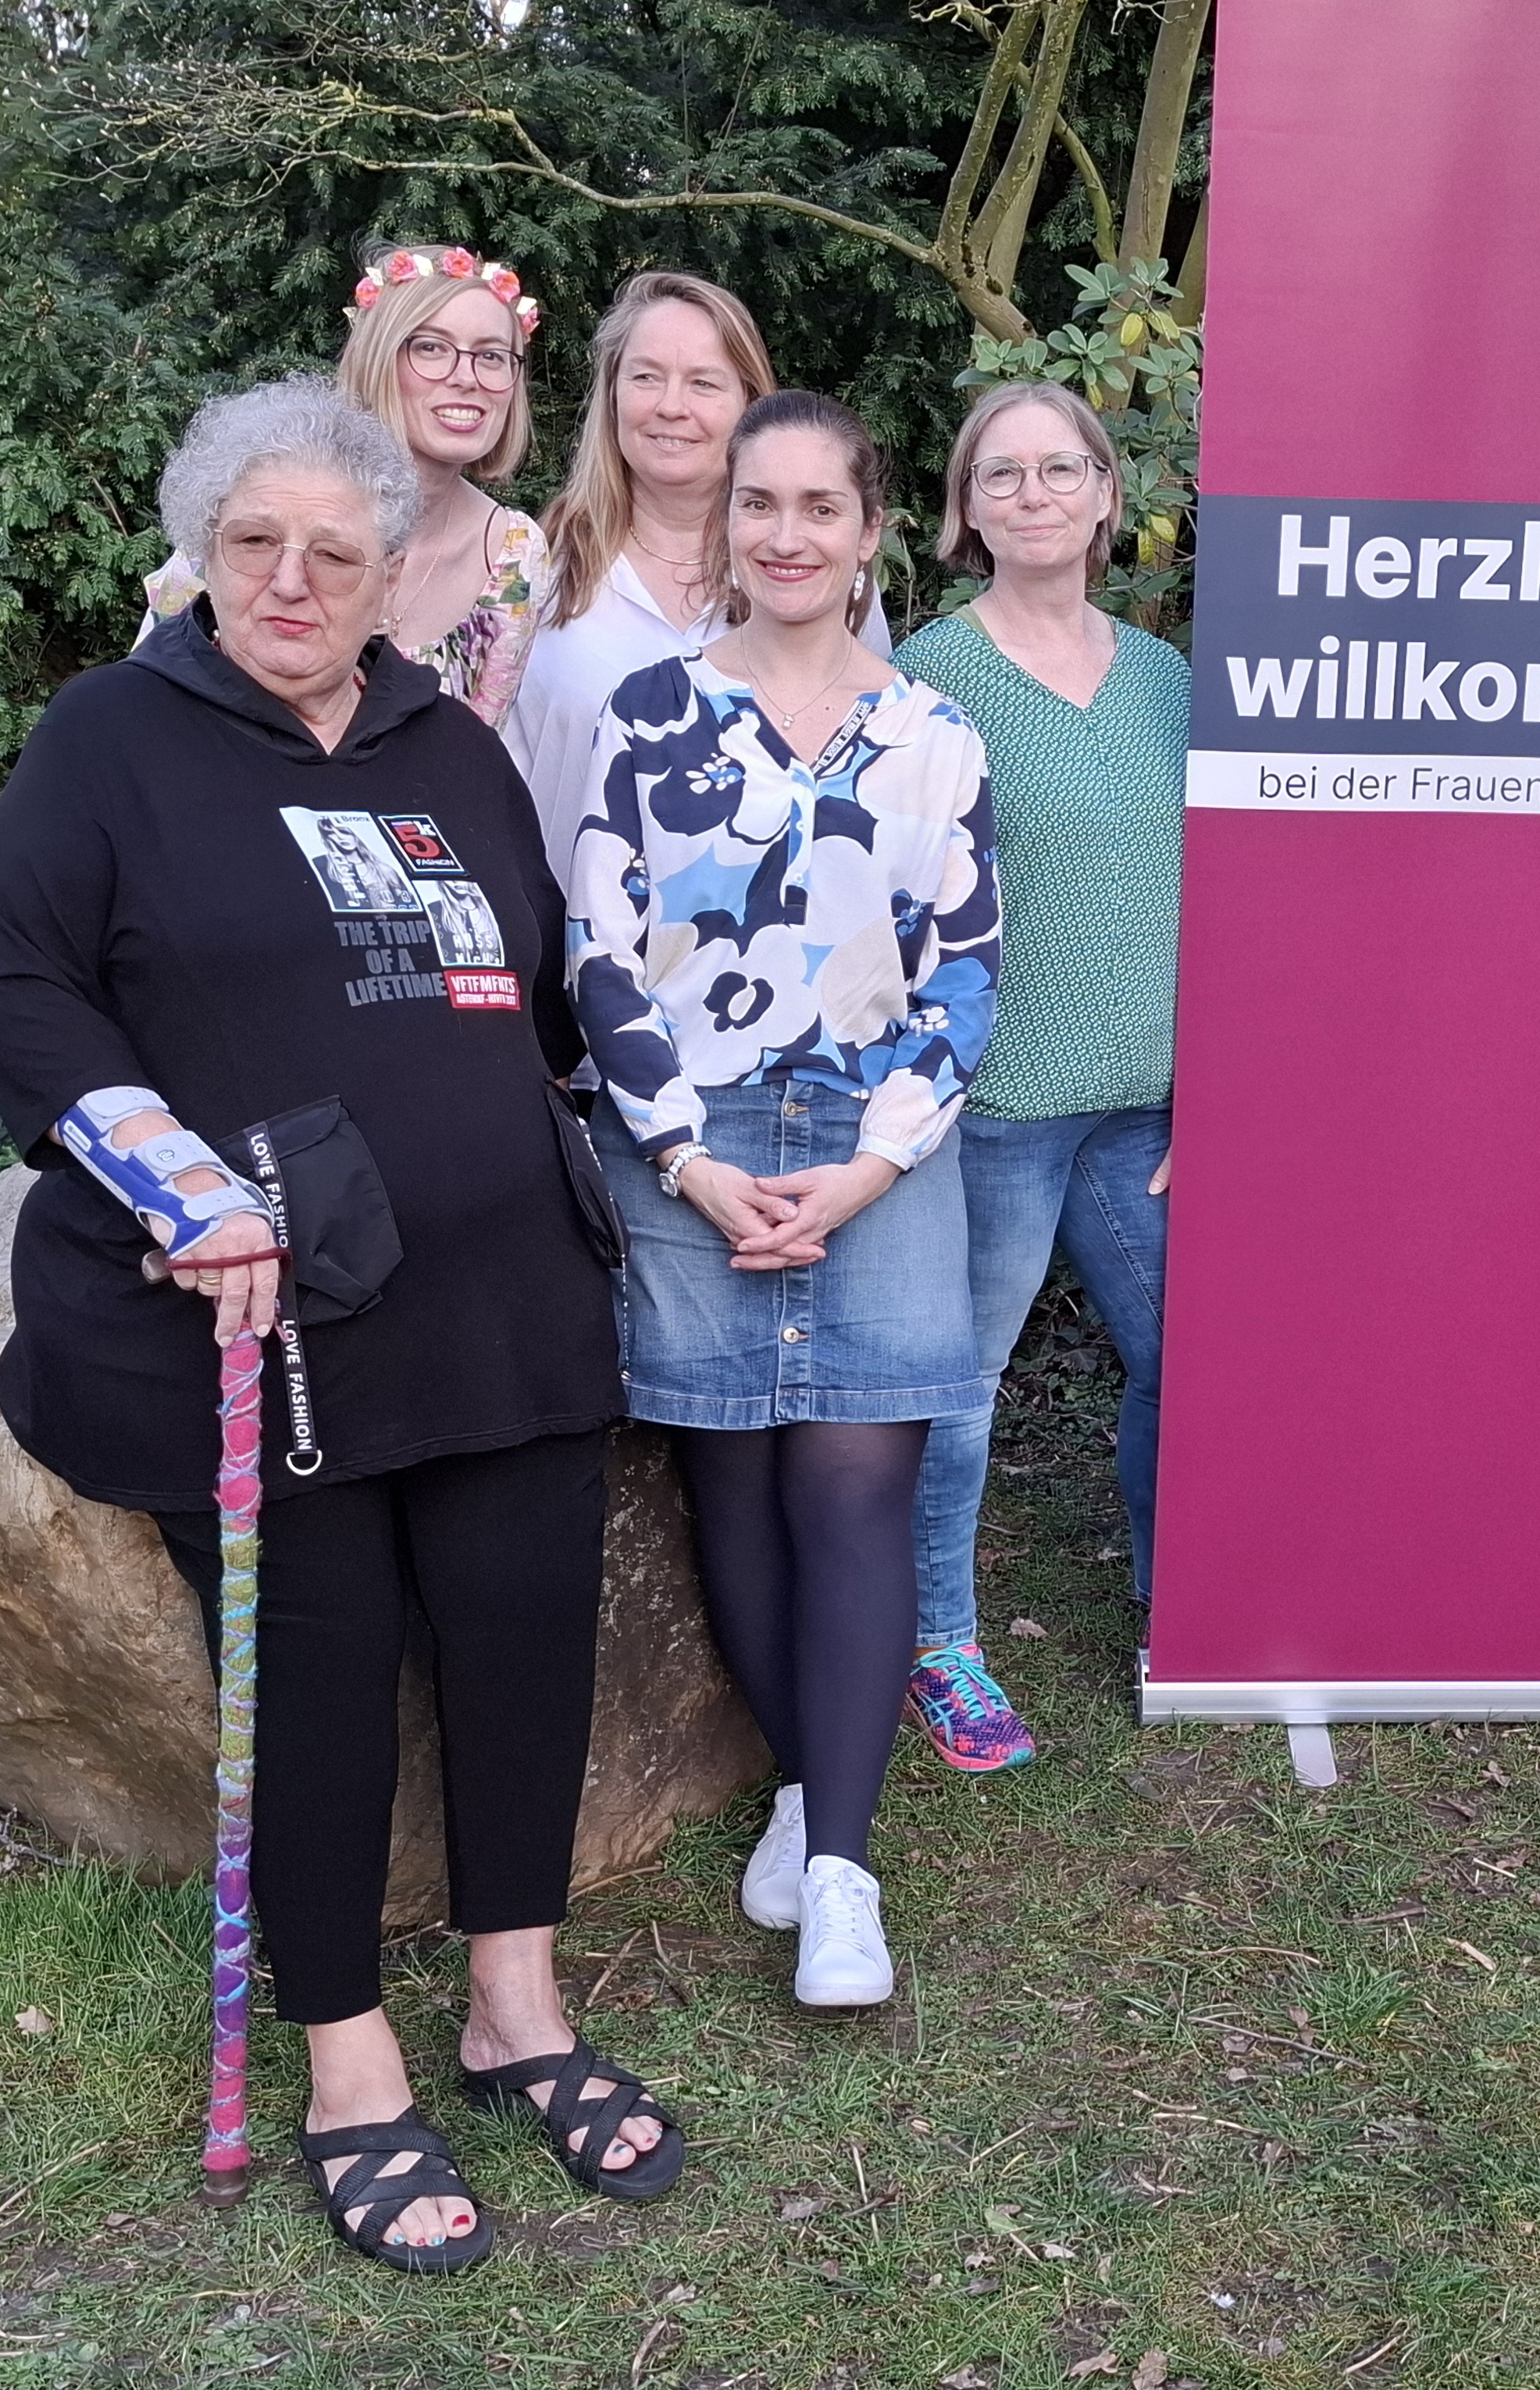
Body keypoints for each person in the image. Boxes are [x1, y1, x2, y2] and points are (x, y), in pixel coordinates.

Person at [0, 378, 679, 2276]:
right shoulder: (110, 739)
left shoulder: (448, 743)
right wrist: (171, 1184)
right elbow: (28, 991)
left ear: (390, 572)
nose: (293, 579)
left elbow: (532, 990)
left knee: (531, 1634)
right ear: (206, 551)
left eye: (335, 552)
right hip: (265, 1320)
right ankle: (352, 2061)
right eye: (257, 543)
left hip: (500, 1299)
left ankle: (516, 2003)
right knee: (326, 1676)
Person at [569, 389, 999, 2008]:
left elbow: (964, 971)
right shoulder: (645, 712)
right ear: (724, 523)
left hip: (878, 1144)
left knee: (851, 1489)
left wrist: (874, 1163)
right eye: (760, 504)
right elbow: (599, 953)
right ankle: (819, 1789)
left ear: (870, 530)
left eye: (821, 506)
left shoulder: (933, 734)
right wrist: (687, 1159)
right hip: (692, 1139)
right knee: (732, 1491)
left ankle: (837, 1874)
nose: (788, 534)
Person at [893, 381, 1187, 1773]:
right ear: (965, 508)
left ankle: (1178, 1605)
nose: (1031, 493)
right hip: (993, 1109)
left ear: (1104, 494)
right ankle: (937, 1646)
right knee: (960, 1390)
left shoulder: (1170, 681)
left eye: (1056, 468)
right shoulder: (923, 676)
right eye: (998, 474)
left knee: (1190, 1360)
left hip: (1151, 1108)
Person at [502, 270, 891, 892]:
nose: (670, 406)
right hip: (568, 959)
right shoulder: (534, 567)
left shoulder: (817, 578)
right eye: (646, 376)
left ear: (749, 404)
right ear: (611, 393)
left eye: (703, 383)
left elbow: (871, 784)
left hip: (771, 962)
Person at [144, 244, 550, 727]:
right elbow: (143, 701)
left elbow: (479, 757)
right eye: (431, 347)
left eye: (492, 356)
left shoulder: (513, 555)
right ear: (377, 358)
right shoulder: (254, 506)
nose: (467, 378)